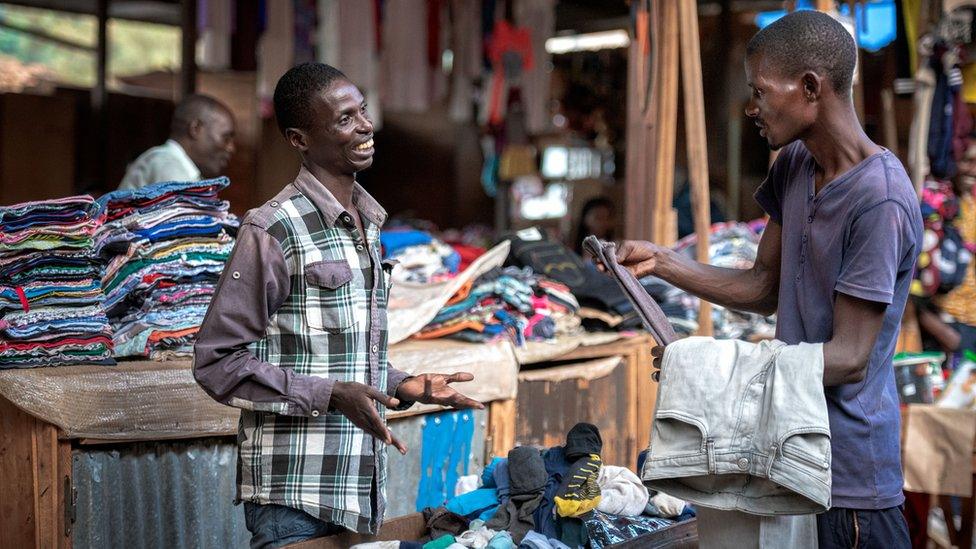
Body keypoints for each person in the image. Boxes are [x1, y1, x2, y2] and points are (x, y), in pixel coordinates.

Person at [614, 11, 920, 548]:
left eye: (760, 91)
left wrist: (712, 370)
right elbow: (761, 286)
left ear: (809, 87)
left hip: (849, 480)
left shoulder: (880, 200)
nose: (752, 108)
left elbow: (848, 356)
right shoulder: (795, 165)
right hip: (786, 455)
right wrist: (661, 262)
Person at [192, 63, 483, 548]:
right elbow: (217, 363)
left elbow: (339, 354)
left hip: (354, 488)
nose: (366, 125)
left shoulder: (367, 224)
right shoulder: (272, 230)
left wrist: (403, 383)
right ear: (300, 139)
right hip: (293, 497)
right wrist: (329, 395)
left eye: (362, 110)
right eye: (345, 119)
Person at [118, 94, 236, 190]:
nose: (231, 148)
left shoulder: (174, 165)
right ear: (196, 129)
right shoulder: (167, 165)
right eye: (226, 138)